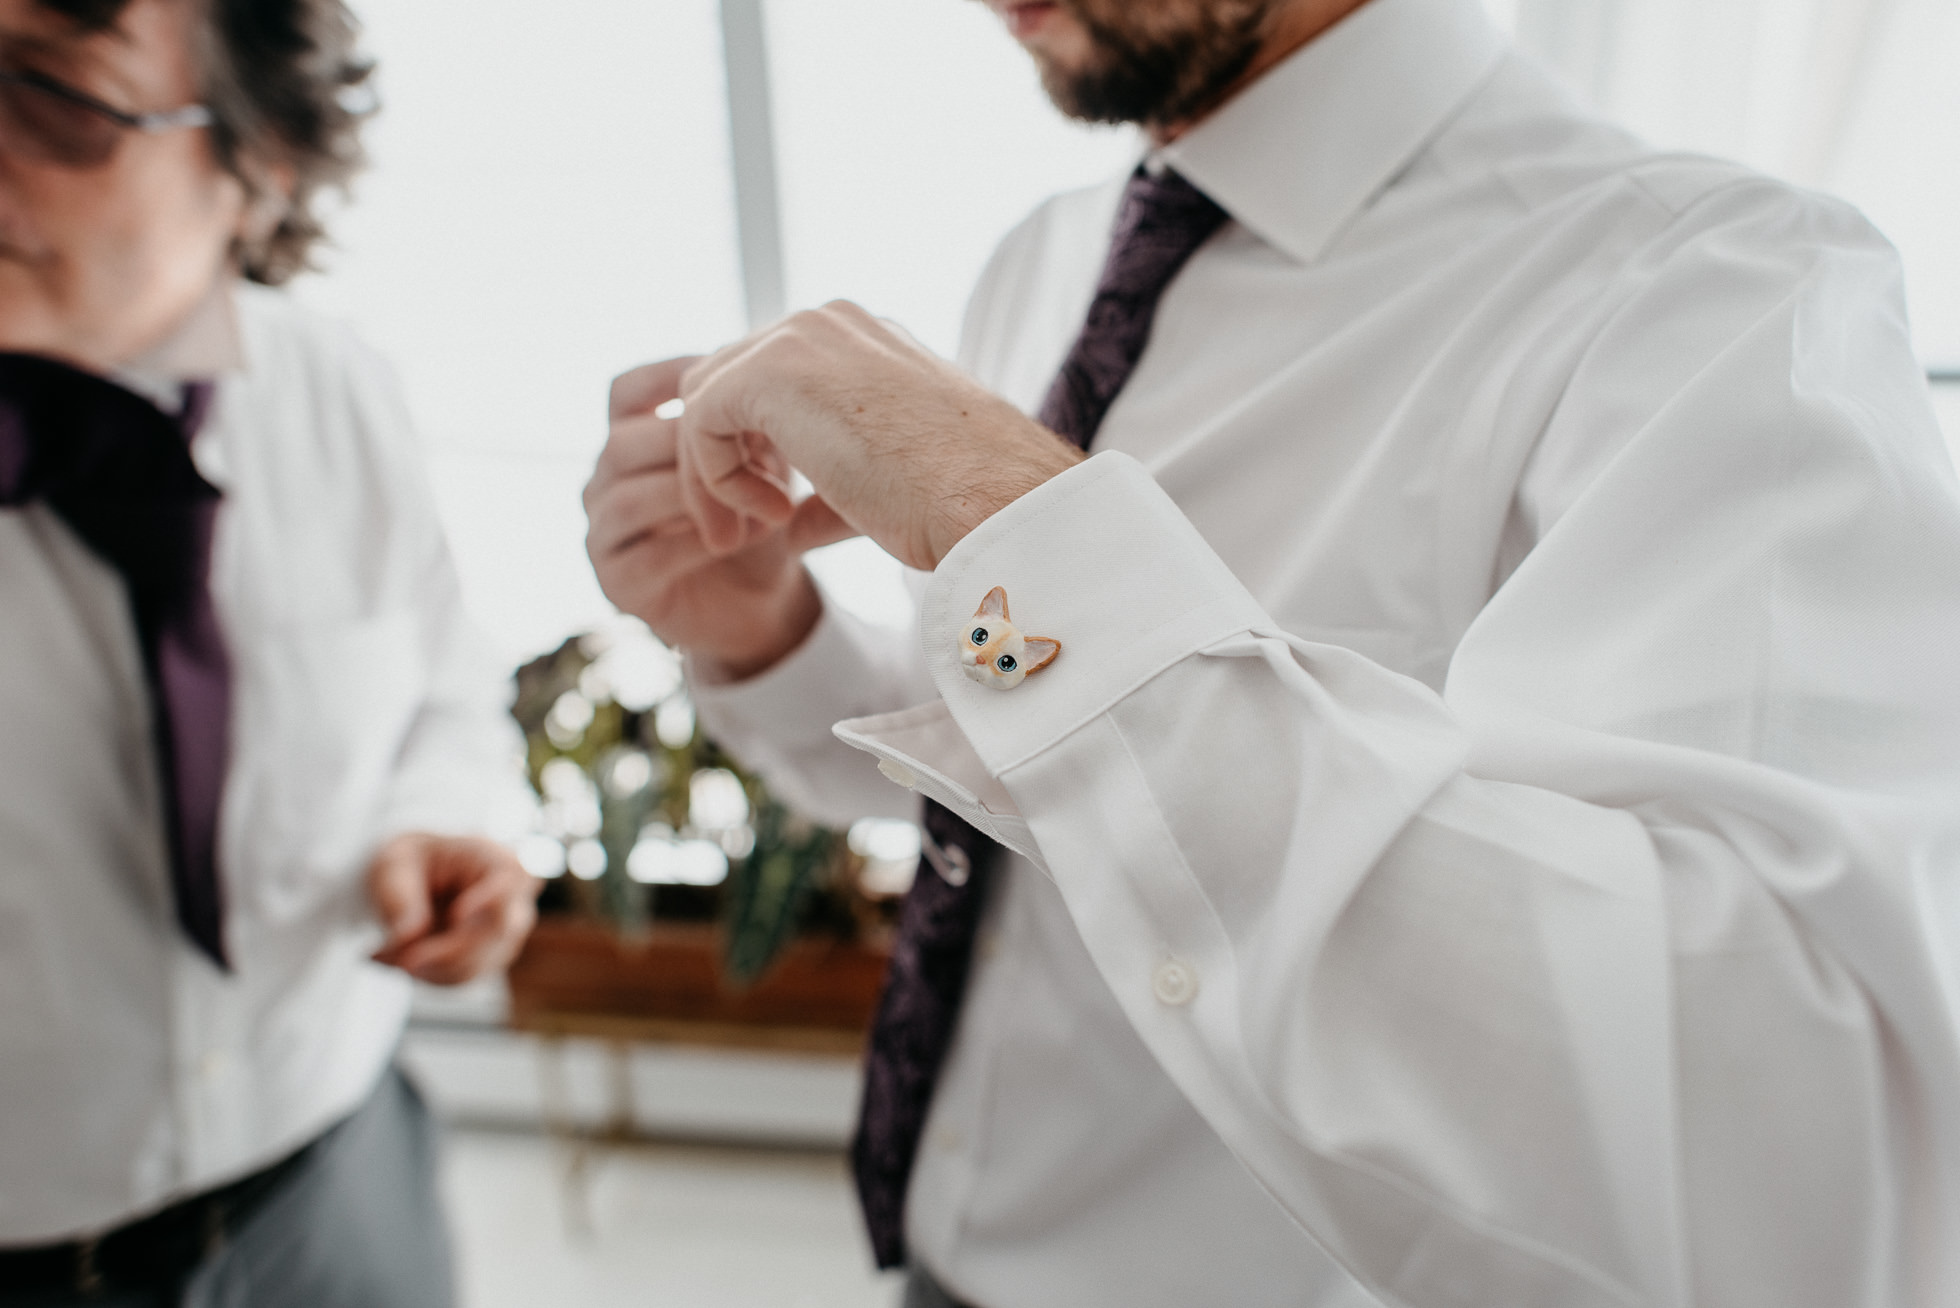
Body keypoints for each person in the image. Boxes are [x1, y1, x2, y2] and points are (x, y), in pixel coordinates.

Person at [585, 0, 1960, 1303]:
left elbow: (1795, 1154)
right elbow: (1045, 764)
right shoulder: (1046, 254)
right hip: (949, 1258)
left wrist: (1011, 513)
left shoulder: (1710, 288)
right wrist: (770, 637)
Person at [0, 0, 538, 1304]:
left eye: (54, 97)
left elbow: (448, 692)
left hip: (339, 1186)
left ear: (261, 163)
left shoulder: (339, 390)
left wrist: (446, 822)